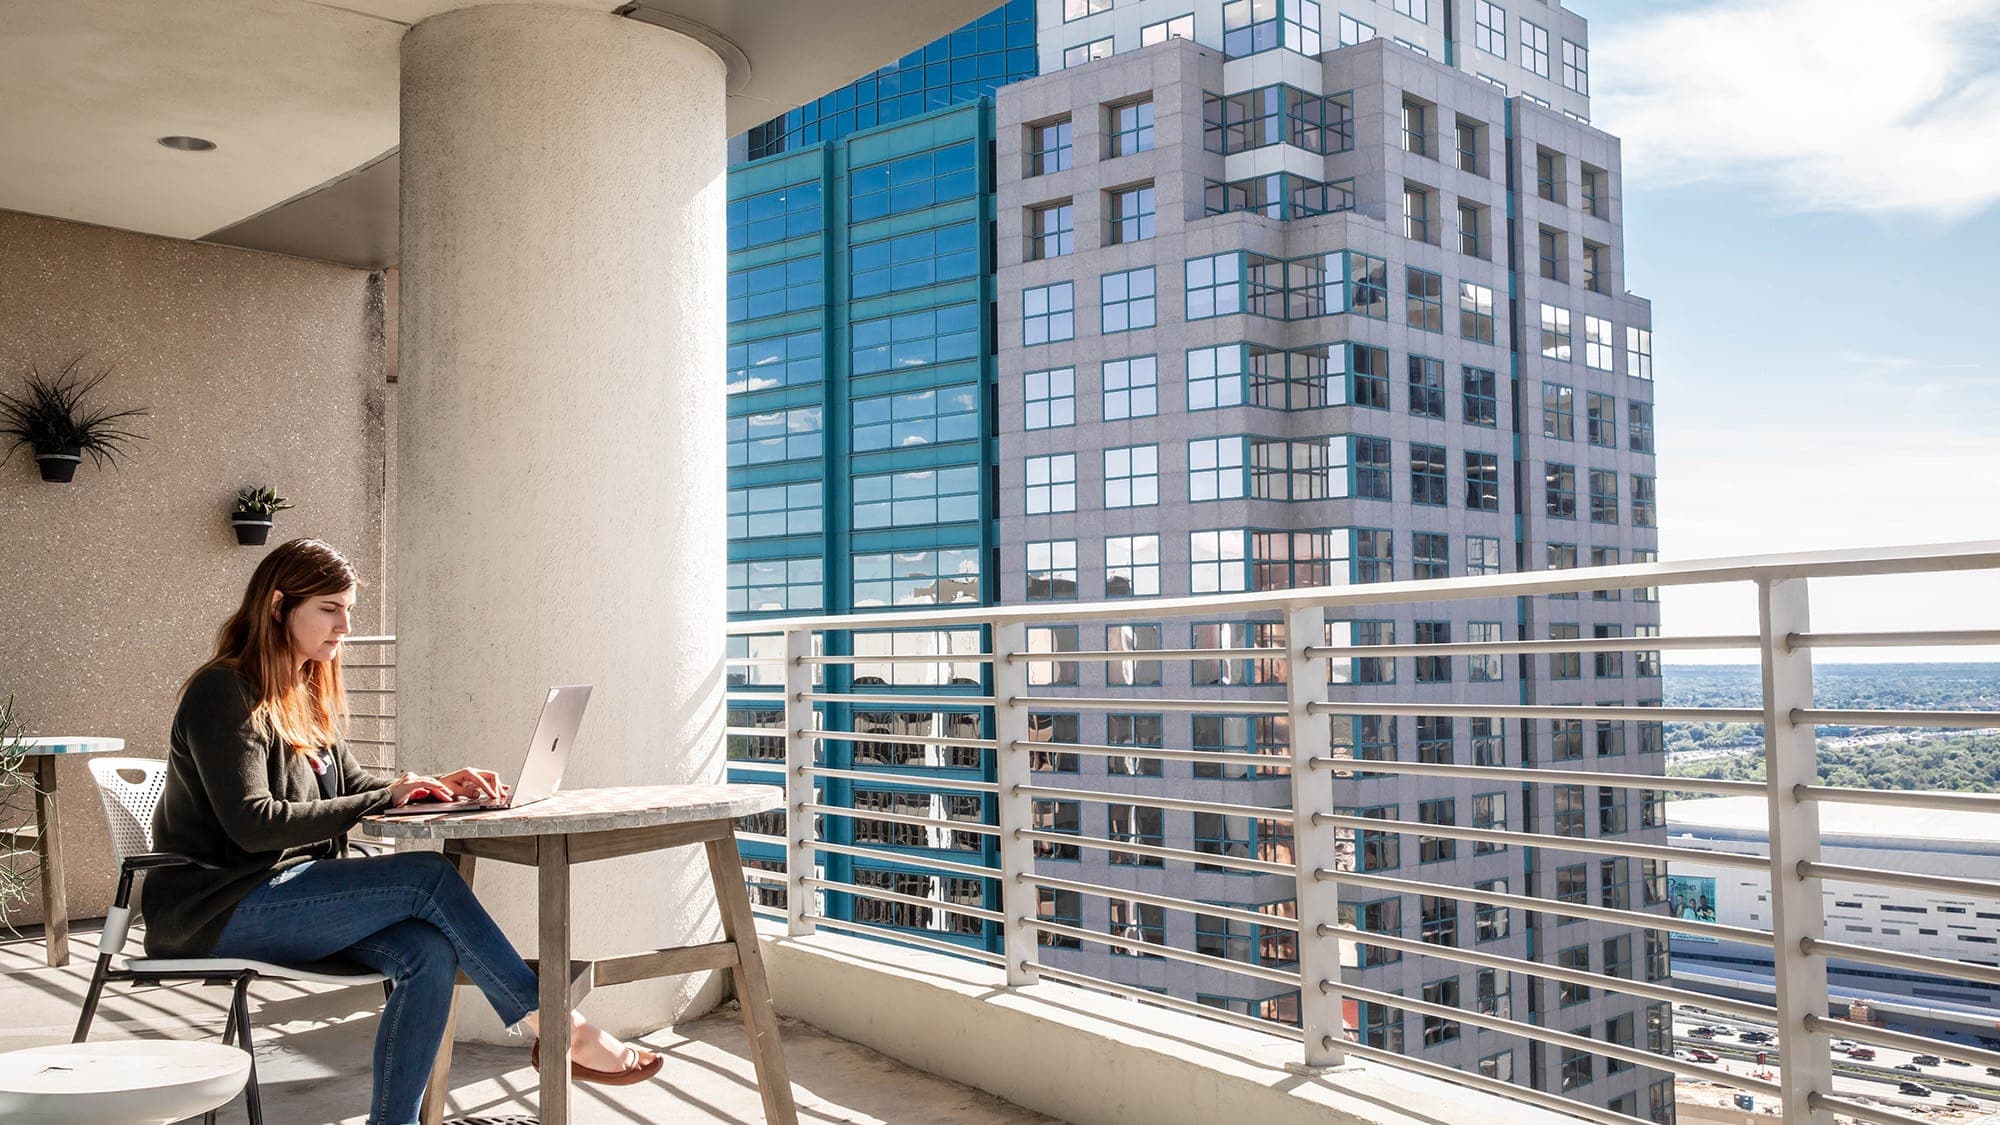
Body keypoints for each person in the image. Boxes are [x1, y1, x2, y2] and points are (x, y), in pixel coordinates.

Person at [142, 538, 661, 1125]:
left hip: (288, 895)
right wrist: (383, 797)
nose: (344, 627)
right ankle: (561, 1029)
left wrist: (429, 785)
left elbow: (352, 784)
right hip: (216, 909)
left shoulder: (302, 690)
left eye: (348, 610)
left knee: (427, 950)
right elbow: (253, 824)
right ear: (279, 606)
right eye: (329, 609)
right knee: (428, 877)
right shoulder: (224, 691)